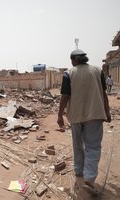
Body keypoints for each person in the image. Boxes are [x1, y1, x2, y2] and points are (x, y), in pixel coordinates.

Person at [57, 49, 111, 195]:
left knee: (77, 144)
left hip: (76, 115)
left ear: (73, 60)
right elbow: (104, 94)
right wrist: (107, 112)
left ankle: (79, 171)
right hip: (95, 113)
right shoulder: (97, 71)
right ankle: (89, 177)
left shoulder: (69, 73)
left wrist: (60, 115)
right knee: (93, 146)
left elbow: (65, 96)